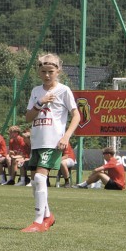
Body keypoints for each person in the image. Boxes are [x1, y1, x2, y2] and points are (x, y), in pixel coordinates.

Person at [21, 53, 82, 232]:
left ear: (58, 71)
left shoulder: (64, 90)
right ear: (39, 72)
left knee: (40, 178)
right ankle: (48, 216)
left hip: (53, 142)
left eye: (51, 71)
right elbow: (28, 117)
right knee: (35, 182)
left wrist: (66, 137)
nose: (47, 75)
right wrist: (40, 103)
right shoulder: (36, 91)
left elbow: (77, 115)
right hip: (37, 142)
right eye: (43, 71)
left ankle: (38, 222)